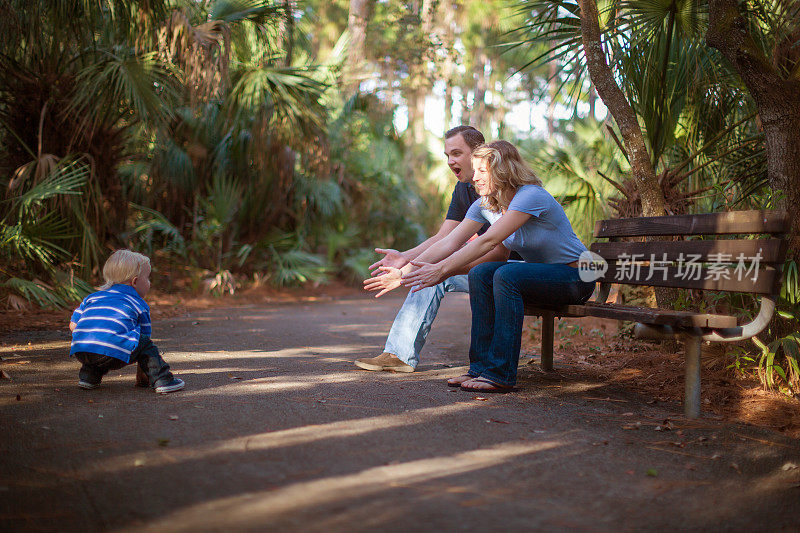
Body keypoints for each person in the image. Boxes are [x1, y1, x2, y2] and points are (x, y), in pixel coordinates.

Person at [371, 140, 595, 392]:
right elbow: (449, 242)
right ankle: (478, 368)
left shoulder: (530, 195)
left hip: (576, 277)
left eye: (481, 171)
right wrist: (404, 272)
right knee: (481, 273)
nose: (474, 178)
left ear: (502, 170)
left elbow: (488, 241)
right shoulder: (485, 205)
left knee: (506, 274)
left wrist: (442, 270)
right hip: (542, 278)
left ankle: (500, 373)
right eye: (474, 171)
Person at [355, 126, 510, 373]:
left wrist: (442, 269)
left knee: (434, 273)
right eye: (447, 155)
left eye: (457, 153)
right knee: (429, 274)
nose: (450, 161)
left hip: (513, 271)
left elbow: (498, 251)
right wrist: (406, 259)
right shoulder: (464, 190)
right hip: (487, 268)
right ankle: (398, 355)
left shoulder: (501, 187)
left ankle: (490, 365)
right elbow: (445, 237)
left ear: (479, 153)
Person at [69, 249, 185, 393]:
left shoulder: (92, 298)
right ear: (135, 282)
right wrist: (143, 376)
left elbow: (73, 325)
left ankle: (88, 377)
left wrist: (91, 336)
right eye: (148, 278)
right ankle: (163, 380)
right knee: (145, 346)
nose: (149, 282)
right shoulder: (138, 303)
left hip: (81, 351)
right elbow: (143, 338)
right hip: (113, 354)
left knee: (100, 342)